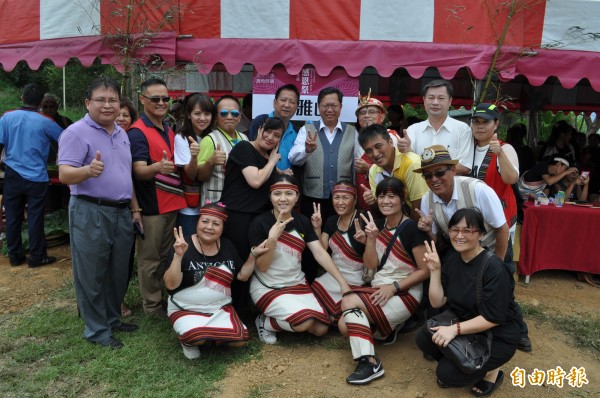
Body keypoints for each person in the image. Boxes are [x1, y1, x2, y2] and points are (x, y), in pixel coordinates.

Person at [415, 145, 532, 352]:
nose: (434, 179)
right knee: (467, 292)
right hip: (463, 255)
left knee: (503, 293)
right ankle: (470, 329)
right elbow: (438, 238)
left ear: (453, 170)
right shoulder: (428, 200)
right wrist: (428, 231)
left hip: (495, 248)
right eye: (428, 175)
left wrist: (497, 265)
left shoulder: (478, 189)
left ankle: (518, 331)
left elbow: (502, 230)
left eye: (440, 172)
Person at [58, 77, 140, 349]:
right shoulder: (75, 132)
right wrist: (87, 171)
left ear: (120, 103)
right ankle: (96, 330)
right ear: (87, 103)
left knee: (118, 271)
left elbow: (125, 174)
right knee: (91, 273)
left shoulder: (121, 133)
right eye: (100, 100)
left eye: (112, 100)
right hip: (90, 210)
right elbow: (65, 174)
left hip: (121, 212)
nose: (107, 105)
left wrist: (134, 208)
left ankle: (113, 319)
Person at [416, 208, 519, 396]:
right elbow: (437, 301)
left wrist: (454, 330)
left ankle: (491, 373)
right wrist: (435, 271)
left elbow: (493, 318)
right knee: (424, 338)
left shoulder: (493, 268)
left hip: (496, 334)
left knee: (447, 374)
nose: (459, 236)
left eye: (468, 230)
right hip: (467, 325)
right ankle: (465, 364)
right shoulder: (453, 258)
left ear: (480, 234)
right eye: (455, 230)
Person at [339, 177, 430, 385]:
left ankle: (370, 363)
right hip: (379, 288)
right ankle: (387, 330)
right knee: (344, 326)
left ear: (402, 198)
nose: (386, 201)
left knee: (349, 302)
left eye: (392, 196)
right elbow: (370, 265)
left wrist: (394, 287)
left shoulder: (412, 229)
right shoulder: (377, 226)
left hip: (404, 292)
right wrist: (370, 241)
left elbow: (425, 271)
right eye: (381, 196)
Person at [249, 175, 351, 345]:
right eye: (277, 194)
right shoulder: (260, 223)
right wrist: (272, 240)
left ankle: (286, 318)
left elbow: (319, 252)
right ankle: (264, 322)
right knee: (304, 322)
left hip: (296, 284)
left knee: (321, 329)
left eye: (289, 193)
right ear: (270, 196)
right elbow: (262, 266)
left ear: (296, 197)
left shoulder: (302, 221)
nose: (283, 199)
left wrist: (343, 283)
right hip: (268, 286)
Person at [163, 204, 258, 359]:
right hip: (186, 308)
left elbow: (242, 276)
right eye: (205, 221)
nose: (209, 227)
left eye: (216, 224)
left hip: (219, 308)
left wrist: (253, 255)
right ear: (197, 222)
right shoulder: (183, 244)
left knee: (240, 339)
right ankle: (190, 340)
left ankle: (213, 336)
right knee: (197, 337)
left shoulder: (227, 245)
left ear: (222, 228)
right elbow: (171, 284)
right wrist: (178, 256)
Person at [129, 77, 187, 318]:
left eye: (165, 98)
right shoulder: (137, 132)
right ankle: (152, 306)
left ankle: (162, 299)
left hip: (172, 204)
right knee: (150, 259)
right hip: (151, 207)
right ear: (143, 100)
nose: (162, 102)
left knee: (165, 256)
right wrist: (157, 168)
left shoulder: (167, 128)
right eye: (155, 99)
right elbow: (137, 171)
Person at [0, 83, 63, 267]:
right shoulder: (46, 121)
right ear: (41, 102)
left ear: (22, 98)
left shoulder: (7, 117)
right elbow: (66, 138)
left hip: (12, 174)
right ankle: (37, 257)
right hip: (37, 176)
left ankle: (15, 256)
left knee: (13, 216)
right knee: (35, 216)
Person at [288, 86, 363, 222]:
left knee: (339, 236)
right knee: (312, 236)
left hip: (343, 197)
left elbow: (358, 161)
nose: (329, 110)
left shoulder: (352, 132)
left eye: (333, 105)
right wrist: (306, 151)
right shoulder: (307, 130)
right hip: (312, 196)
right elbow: (293, 159)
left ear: (340, 107)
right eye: (325, 105)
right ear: (318, 107)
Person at [310, 181, 366, 322]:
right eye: (336, 197)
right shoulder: (331, 221)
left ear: (355, 200)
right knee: (313, 290)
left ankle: (333, 317)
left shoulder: (363, 219)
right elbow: (321, 250)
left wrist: (367, 241)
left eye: (345, 197)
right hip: (334, 275)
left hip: (357, 278)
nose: (340, 202)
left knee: (345, 306)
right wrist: (317, 228)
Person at [399, 79, 473, 175]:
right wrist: (406, 149)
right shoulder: (413, 130)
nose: (435, 102)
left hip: (452, 188)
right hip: (420, 188)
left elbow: (465, 166)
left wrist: (434, 174)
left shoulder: (463, 129)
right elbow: (408, 162)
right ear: (424, 100)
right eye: (431, 98)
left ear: (450, 101)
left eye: (441, 98)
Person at [359, 124, 428, 218]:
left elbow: (419, 208)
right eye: (368, 151)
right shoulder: (373, 170)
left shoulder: (411, 163)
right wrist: (372, 201)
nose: (375, 154)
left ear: (390, 141)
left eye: (378, 146)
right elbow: (382, 209)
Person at [470, 103, 519, 229]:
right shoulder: (468, 148)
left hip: (501, 218)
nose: (480, 126)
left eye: (485, 122)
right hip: (473, 219)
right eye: (476, 122)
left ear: (496, 124)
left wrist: (500, 154)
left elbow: (511, 179)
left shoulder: (505, 148)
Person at [174, 93, 215, 235]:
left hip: (211, 203)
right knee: (188, 244)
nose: (202, 118)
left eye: (207, 113)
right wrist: (194, 156)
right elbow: (190, 174)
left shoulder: (214, 136)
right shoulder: (181, 138)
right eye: (197, 113)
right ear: (189, 115)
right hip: (189, 206)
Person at [197, 95, 249, 204]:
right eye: (224, 113)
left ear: (239, 117)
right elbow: (200, 176)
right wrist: (211, 161)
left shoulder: (244, 138)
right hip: (215, 203)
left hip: (240, 200)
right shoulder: (209, 140)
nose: (229, 117)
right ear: (216, 117)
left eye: (234, 113)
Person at [116, 97, 138, 318]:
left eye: (126, 115)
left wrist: (136, 209)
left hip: (131, 204)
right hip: (108, 205)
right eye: (118, 114)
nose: (121, 119)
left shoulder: (131, 139)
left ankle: (119, 299)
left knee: (125, 257)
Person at [248, 84, 300, 175]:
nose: (287, 105)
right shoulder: (261, 121)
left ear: (297, 107)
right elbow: (254, 152)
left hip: (286, 185)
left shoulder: (297, 132)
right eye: (283, 100)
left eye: (292, 102)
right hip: (261, 179)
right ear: (274, 103)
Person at [354, 93, 393, 210]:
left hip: (384, 200)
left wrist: (368, 168)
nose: (366, 116)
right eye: (362, 113)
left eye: (371, 112)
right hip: (359, 199)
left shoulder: (391, 137)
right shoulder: (354, 137)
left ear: (382, 116)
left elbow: (395, 170)